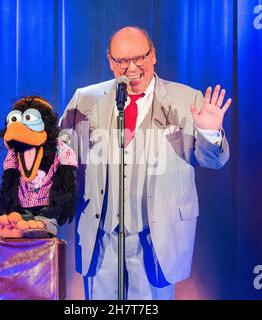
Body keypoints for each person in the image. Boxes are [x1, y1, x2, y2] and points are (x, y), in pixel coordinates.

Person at [60, 26, 231, 300]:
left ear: (153, 56)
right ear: (110, 62)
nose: (132, 68)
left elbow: (212, 159)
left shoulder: (187, 100)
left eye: (139, 58)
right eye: (122, 61)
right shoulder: (85, 99)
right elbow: (60, 156)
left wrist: (210, 132)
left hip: (158, 239)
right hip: (100, 237)